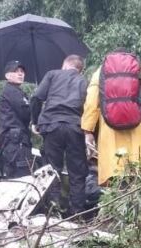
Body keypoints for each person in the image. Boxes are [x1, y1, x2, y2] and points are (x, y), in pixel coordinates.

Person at [81, 48, 141, 186]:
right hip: (137, 135)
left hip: (110, 135)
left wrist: (88, 132)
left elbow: (91, 104)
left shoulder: (100, 74)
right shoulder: (140, 74)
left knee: (114, 180)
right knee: (138, 179)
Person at [30, 55, 88, 216]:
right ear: (79, 69)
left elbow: (36, 98)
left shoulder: (52, 74)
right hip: (75, 127)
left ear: (65, 65)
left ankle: (52, 211)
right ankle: (77, 213)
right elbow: (89, 108)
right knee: (77, 171)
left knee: (51, 169)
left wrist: (35, 122)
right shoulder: (84, 81)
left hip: (51, 125)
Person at [0, 60, 34, 178]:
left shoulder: (18, 92)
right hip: (16, 143)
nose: (20, 74)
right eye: (16, 71)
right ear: (7, 75)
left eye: (22, 71)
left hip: (15, 141)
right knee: (22, 178)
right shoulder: (11, 91)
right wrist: (35, 106)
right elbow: (25, 113)